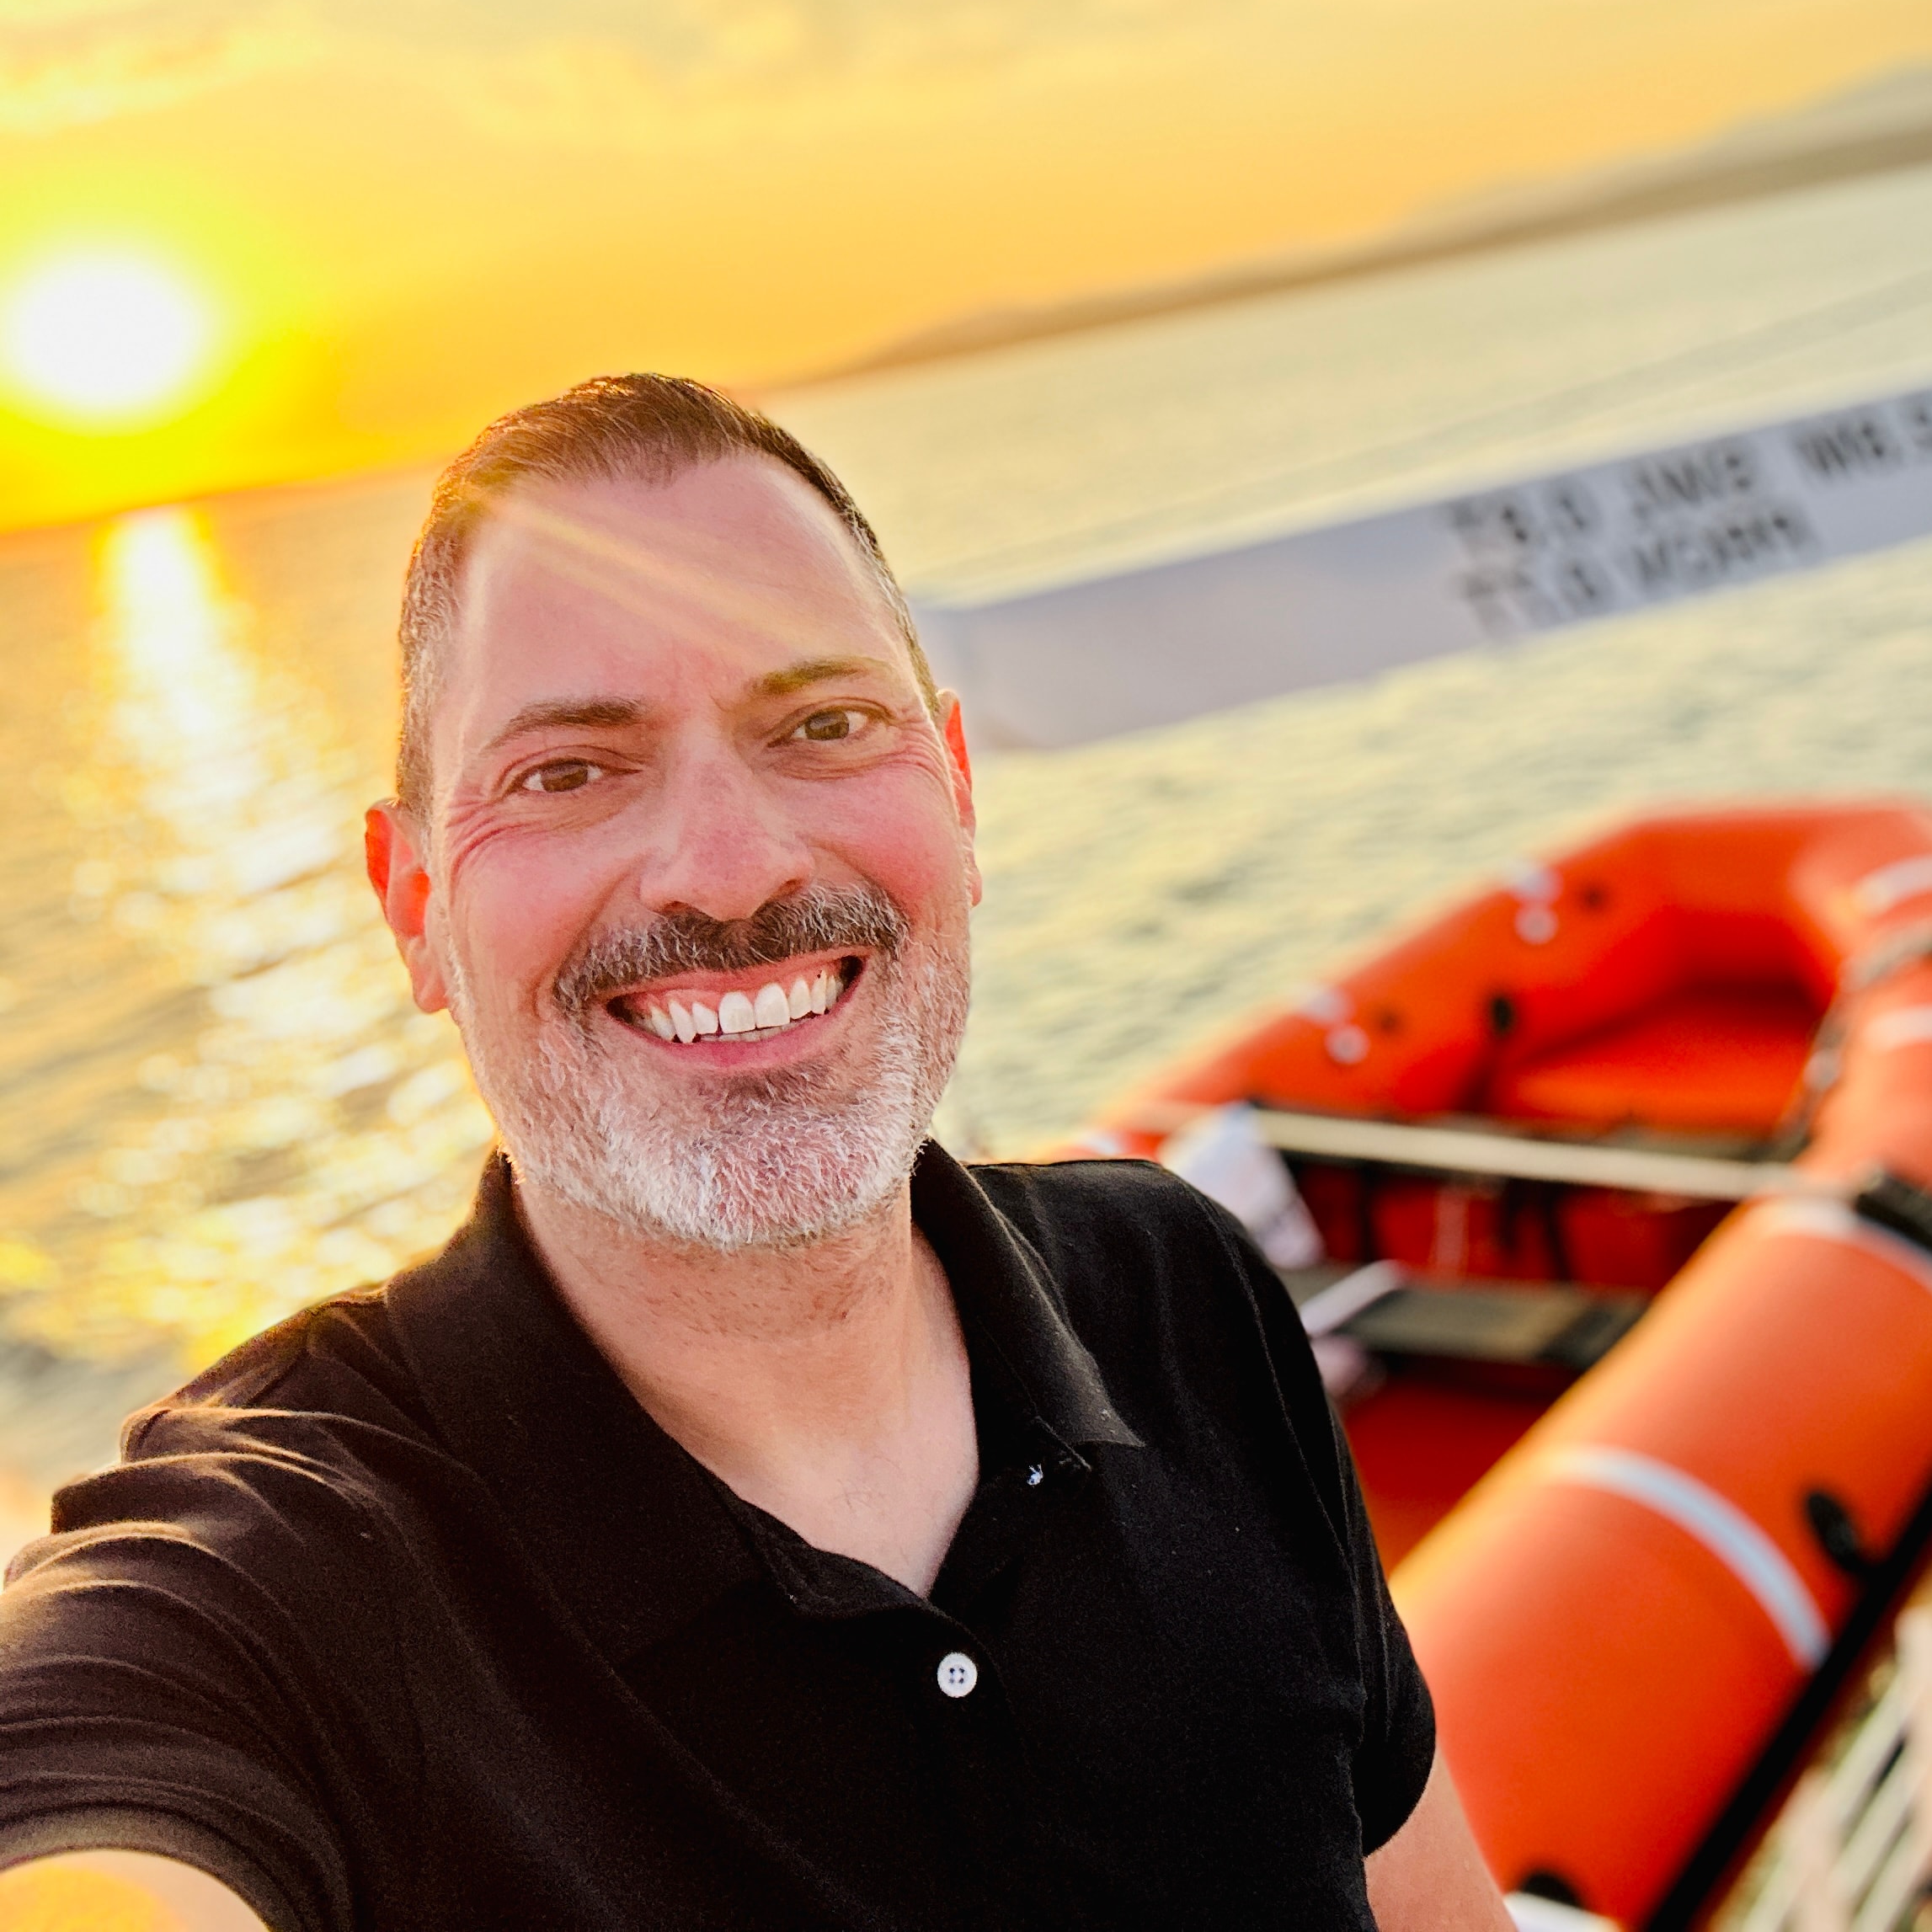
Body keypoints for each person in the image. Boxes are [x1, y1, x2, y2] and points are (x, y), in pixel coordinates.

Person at [0, 375, 1513, 1932]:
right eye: (569, 770)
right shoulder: (269, 1587)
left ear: (959, 793)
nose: (730, 871)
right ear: (417, 904)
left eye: (824, 725)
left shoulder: (1181, 1291)